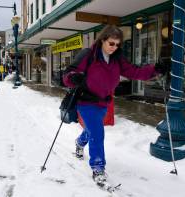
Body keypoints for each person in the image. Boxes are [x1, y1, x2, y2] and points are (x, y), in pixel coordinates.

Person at [63, 25, 167, 184]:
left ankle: (79, 142)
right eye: (111, 43)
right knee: (97, 133)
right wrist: (73, 77)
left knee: (93, 130)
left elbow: (134, 71)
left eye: (118, 44)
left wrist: (154, 70)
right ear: (103, 40)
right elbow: (68, 73)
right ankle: (98, 168)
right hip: (86, 101)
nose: (114, 47)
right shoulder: (89, 55)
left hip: (103, 102)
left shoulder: (117, 58)